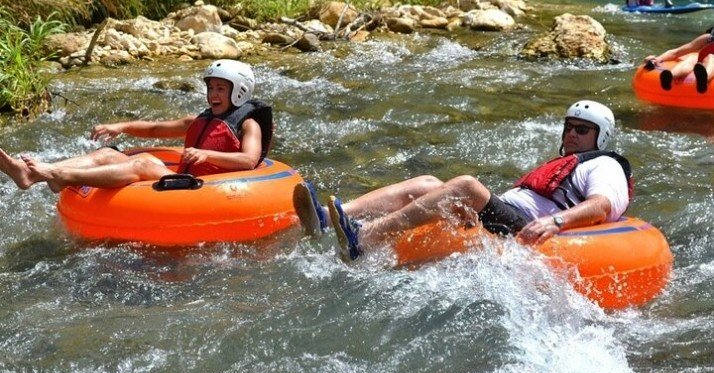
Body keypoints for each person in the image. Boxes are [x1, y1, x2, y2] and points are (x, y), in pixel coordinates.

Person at [293, 100, 633, 262]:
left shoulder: (605, 165)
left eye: (582, 129)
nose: (572, 134)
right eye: (569, 127)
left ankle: (364, 240)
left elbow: (602, 205)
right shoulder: (567, 162)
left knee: (466, 186)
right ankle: (326, 218)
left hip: (527, 227)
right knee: (428, 182)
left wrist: (557, 221)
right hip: (508, 215)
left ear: (600, 137)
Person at [0, 60, 273, 193]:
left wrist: (207, 155)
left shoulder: (248, 124)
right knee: (107, 154)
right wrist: (120, 126)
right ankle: (33, 174)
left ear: (239, 91)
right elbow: (155, 128)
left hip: (208, 187)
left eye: (221, 89)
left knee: (142, 163)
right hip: (183, 180)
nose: (213, 94)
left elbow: (249, 159)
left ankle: (57, 175)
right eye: (211, 88)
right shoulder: (200, 119)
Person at [644, 27, 714, 94]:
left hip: (710, 64)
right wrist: (658, 59)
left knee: (711, 57)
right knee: (692, 58)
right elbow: (676, 52)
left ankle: (704, 80)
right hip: (702, 65)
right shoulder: (708, 38)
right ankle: (670, 76)